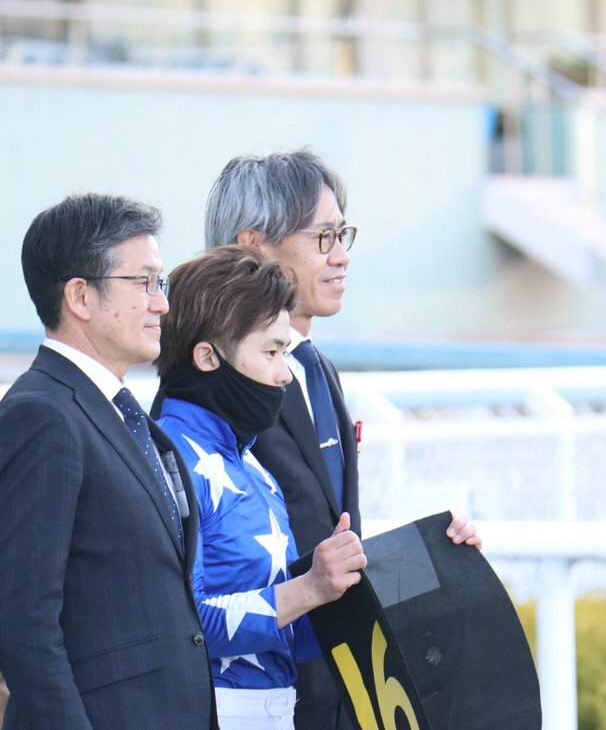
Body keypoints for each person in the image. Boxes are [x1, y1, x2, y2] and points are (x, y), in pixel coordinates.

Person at [205, 150, 480, 729]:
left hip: (342, 685)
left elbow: (336, 542)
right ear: (254, 245)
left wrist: (440, 555)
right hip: (260, 694)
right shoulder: (213, 381)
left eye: (343, 235)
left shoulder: (317, 368)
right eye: (323, 237)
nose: (342, 255)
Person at [0, 194, 215, 729]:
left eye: (160, 283)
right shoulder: (41, 414)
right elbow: (24, 624)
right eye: (143, 283)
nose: (161, 304)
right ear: (80, 296)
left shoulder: (122, 413)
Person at [155, 246, 367, 730]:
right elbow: (182, 624)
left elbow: (291, 633)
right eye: (271, 352)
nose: (284, 373)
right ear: (206, 356)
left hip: (277, 710)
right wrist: (308, 587)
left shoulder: (251, 463)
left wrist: (432, 558)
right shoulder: (168, 461)